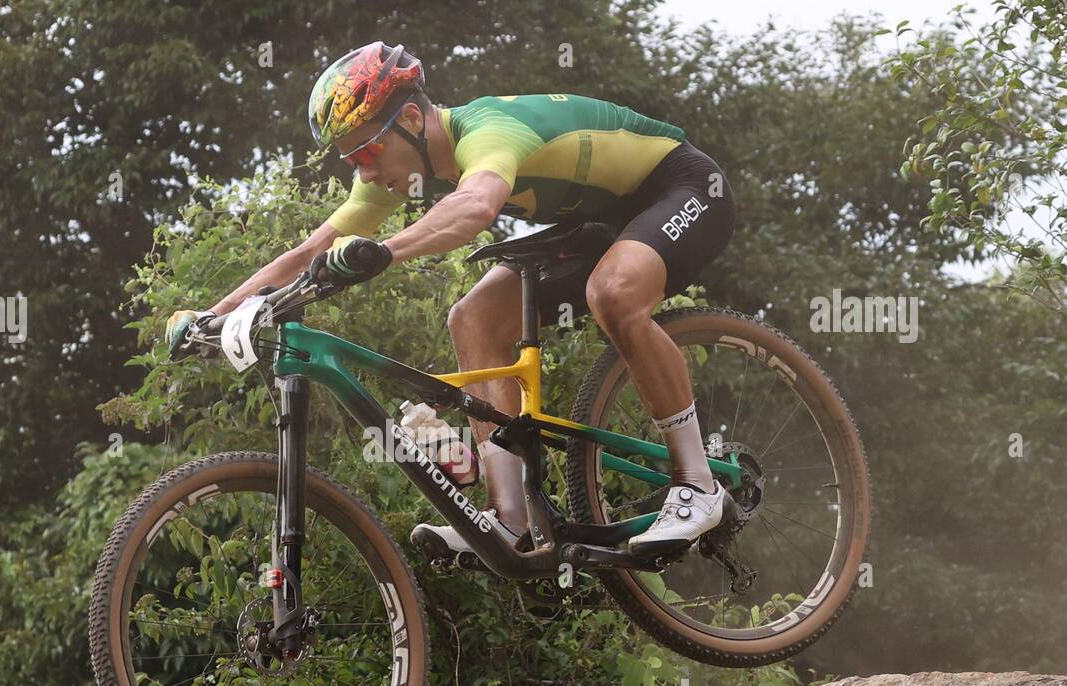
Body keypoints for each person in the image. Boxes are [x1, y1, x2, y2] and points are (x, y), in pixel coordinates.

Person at [167, 41, 736, 560]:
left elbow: (476, 209)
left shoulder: (487, 131)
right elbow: (310, 250)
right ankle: (509, 521)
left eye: (367, 150)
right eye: (350, 160)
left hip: (681, 188)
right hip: (596, 222)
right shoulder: (395, 169)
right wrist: (212, 317)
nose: (362, 169)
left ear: (412, 119)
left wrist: (384, 251)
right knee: (472, 317)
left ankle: (699, 485)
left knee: (611, 292)